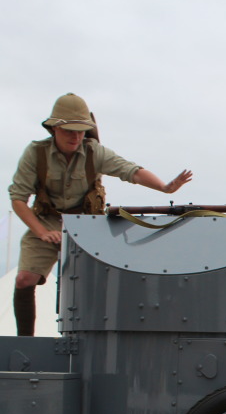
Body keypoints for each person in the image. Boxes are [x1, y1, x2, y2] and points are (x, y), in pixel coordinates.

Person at [8, 93, 192, 336]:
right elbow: (18, 199)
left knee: (102, 284)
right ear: (54, 129)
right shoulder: (36, 153)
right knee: (24, 279)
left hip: (87, 224)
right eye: (69, 130)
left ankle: (101, 338)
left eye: (81, 130)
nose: (75, 136)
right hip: (45, 220)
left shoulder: (95, 152)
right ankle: (25, 341)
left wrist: (164, 187)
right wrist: (42, 233)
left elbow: (131, 171)